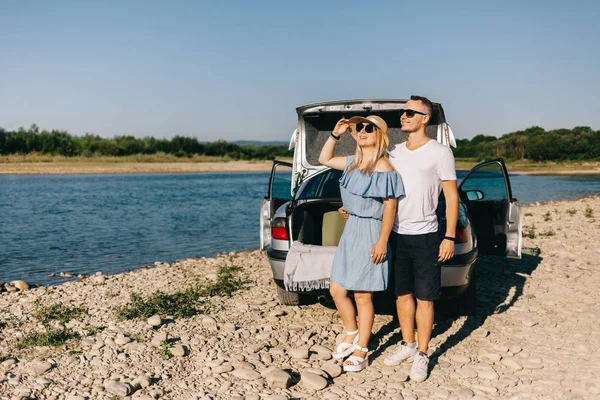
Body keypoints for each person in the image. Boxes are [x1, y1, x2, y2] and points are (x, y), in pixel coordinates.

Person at [382, 95, 459, 382]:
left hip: (427, 234)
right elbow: (375, 183)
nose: (404, 116)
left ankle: (423, 354)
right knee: (402, 294)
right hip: (397, 234)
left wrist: (449, 236)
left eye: (411, 112)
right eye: (403, 112)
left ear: (425, 118)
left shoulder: (440, 153)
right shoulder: (394, 152)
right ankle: (408, 344)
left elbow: (451, 197)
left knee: (425, 298)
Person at [319, 115, 403, 372]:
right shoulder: (351, 163)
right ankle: (351, 330)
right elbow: (323, 159)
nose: (363, 131)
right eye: (360, 128)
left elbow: (390, 208)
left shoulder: (384, 168)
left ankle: (362, 349)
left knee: (363, 295)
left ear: (380, 136)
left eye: (369, 128)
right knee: (337, 289)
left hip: (371, 232)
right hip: (351, 229)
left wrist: (382, 241)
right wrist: (336, 134)